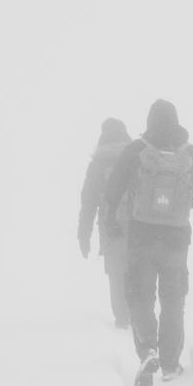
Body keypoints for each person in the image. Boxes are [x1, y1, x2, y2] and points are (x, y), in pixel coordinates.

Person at [105, 99, 193, 386]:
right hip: (177, 241)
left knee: (140, 296)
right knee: (173, 301)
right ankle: (169, 363)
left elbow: (112, 189)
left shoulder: (136, 151)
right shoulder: (192, 155)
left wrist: (110, 221)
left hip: (141, 236)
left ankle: (147, 350)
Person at [76, 116, 133, 326]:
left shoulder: (98, 164)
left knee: (116, 274)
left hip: (111, 227)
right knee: (136, 269)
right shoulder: (136, 157)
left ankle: (122, 319)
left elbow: (89, 203)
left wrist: (84, 235)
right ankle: (138, 316)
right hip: (138, 225)